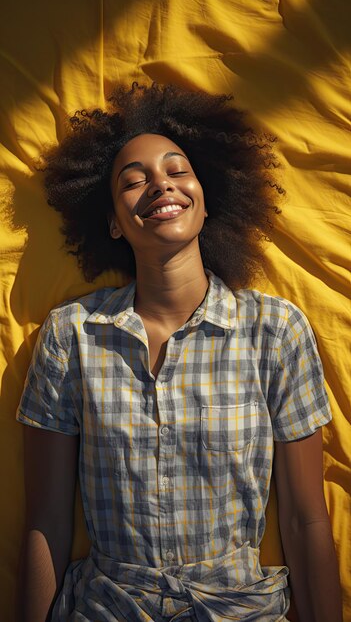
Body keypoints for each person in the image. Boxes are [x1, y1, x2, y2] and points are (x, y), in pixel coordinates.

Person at [16, 83, 342, 622]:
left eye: (176, 170)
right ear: (113, 224)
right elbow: (45, 521)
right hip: (107, 607)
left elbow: (307, 519)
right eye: (133, 180)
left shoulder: (276, 330)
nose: (159, 185)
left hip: (241, 609)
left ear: (205, 196)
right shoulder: (70, 334)